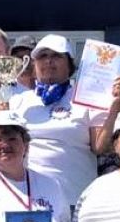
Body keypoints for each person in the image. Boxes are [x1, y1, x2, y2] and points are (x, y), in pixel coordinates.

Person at [9, 34, 109, 205]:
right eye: (42, 56)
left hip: (76, 199)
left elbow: (100, 147)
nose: (48, 61)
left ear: (69, 64)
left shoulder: (88, 98)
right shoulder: (18, 101)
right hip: (31, 202)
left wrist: (113, 108)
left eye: (56, 56)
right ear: (34, 65)